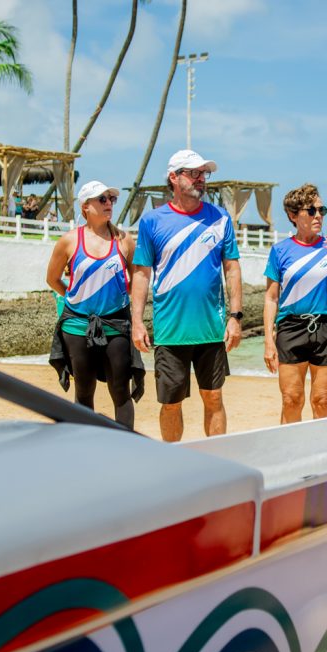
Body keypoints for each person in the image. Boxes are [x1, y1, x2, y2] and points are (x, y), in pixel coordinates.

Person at [131, 149, 243, 441]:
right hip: (170, 331)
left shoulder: (220, 218)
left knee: (214, 398)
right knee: (170, 404)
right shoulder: (152, 221)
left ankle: (217, 461)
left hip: (211, 329)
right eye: (193, 173)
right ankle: (174, 464)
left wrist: (235, 317)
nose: (201, 179)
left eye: (203, 174)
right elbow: (141, 274)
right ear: (173, 177)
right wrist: (137, 322)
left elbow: (232, 269)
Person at [46, 181, 144, 428]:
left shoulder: (124, 241)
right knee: (84, 390)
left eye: (111, 199)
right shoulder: (69, 241)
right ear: (86, 206)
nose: (109, 203)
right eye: (102, 199)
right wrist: (76, 297)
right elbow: (52, 278)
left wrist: (122, 300)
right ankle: (85, 446)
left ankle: (125, 446)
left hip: (115, 324)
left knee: (120, 389)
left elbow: (137, 280)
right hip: (77, 326)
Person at [263, 184, 327, 422]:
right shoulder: (280, 251)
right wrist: (268, 341)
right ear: (293, 216)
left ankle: (323, 455)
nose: (319, 216)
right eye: (312, 210)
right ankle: (291, 454)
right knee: (291, 399)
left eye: (322, 210)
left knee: (322, 400)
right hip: (291, 328)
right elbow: (271, 297)